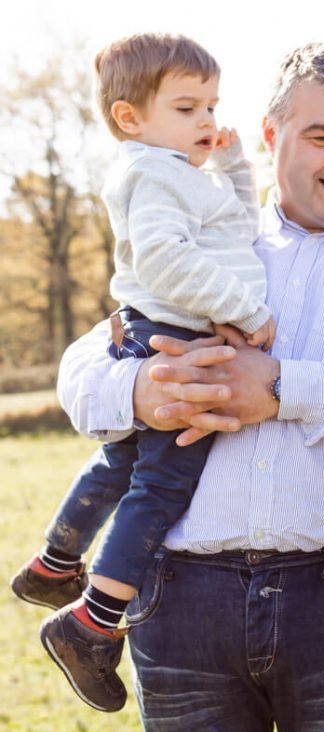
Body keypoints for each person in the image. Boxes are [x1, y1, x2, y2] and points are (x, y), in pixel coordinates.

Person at [49, 42, 324, 730]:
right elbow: (81, 373)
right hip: (178, 601)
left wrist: (284, 389)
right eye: (323, 137)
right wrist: (142, 390)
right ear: (270, 135)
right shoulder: (200, 236)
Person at [9, 32, 275, 713]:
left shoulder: (179, 172)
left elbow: (232, 228)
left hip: (169, 330)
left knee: (121, 465)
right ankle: (91, 624)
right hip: (176, 341)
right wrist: (244, 308)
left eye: (213, 105)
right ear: (131, 118)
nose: (208, 121)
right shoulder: (150, 173)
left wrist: (236, 164)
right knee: (162, 485)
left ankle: (55, 563)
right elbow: (165, 261)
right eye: (188, 108)